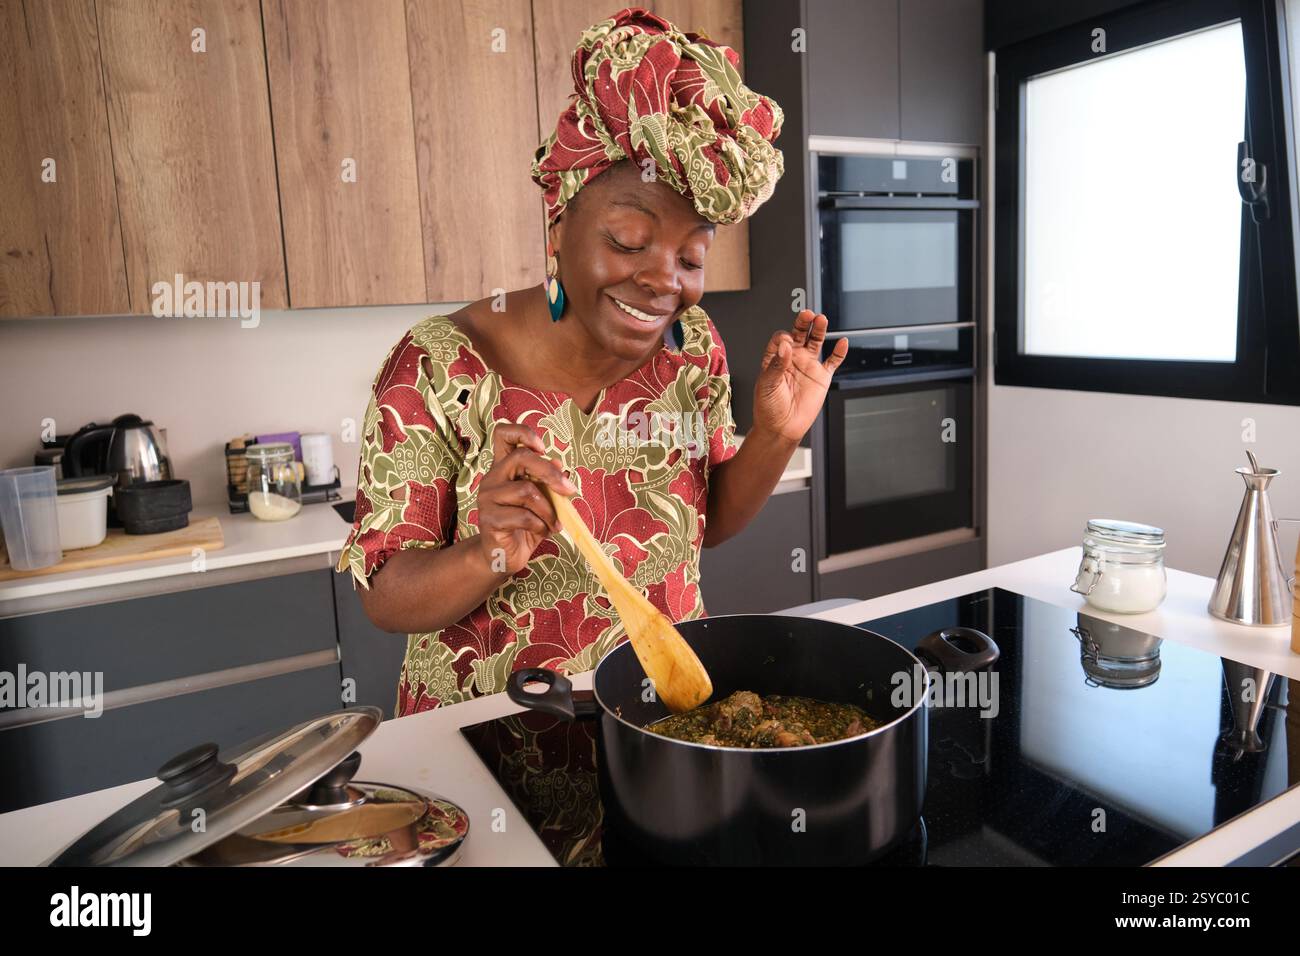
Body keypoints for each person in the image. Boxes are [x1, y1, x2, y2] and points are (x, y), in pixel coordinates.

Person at [337, 7, 847, 715]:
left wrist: (777, 435)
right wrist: (488, 550)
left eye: (691, 256)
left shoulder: (690, 348)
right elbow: (384, 595)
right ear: (559, 223)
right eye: (630, 239)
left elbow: (709, 522)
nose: (665, 279)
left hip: (663, 726)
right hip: (492, 742)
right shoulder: (439, 366)